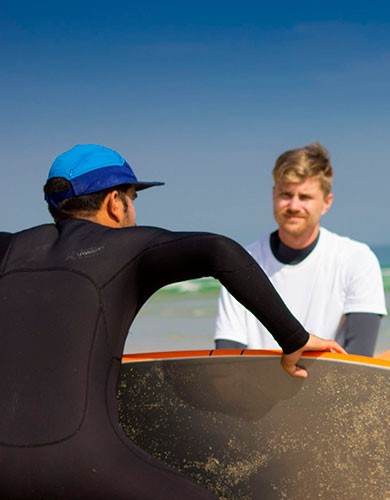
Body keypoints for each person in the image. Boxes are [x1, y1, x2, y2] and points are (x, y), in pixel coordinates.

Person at [0, 144, 344, 499]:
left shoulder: (8, 249)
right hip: (83, 462)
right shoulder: (126, 245)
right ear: (115, 202)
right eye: (133, 198)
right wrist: (294, 338)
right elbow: (219, 251)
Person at [214, 142, 386, 356]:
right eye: (286, 194)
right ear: (273, 194)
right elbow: (228, 357)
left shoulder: (357, 260)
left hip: (330, 386)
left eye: (305, 197)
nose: (294, 206)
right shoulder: (239, 262)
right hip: (255, 385)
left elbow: (359, 359)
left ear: (326, 202)